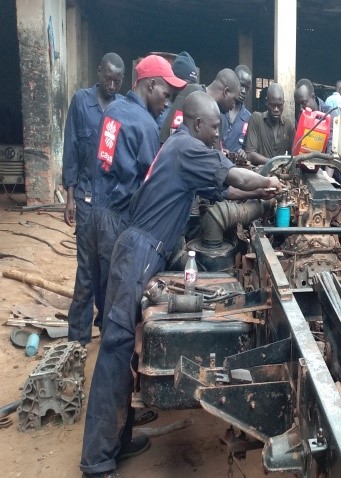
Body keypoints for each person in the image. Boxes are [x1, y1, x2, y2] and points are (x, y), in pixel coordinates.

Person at [80, 91, 282, 478]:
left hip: (140, 250)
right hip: (139, 250)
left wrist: (261, 192)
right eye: (214, 128)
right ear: (196, 123)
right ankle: (96, 461)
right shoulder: (188, 146)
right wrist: (269, 177)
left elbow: (227, 190)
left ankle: (118, 443)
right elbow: (234, 174)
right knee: (118, 350)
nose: (218, 136)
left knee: (126, 352)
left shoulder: (178, 147)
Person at [87, 54, 185, 346]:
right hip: (117, 220)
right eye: (166, 94)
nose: (167, 103)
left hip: (96, 212)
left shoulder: (113, 109)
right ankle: (115, 359)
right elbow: (150, 179)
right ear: (150, 84)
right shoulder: (144, 124)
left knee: (102, 290)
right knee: (120, 299)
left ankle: (105, 338)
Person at [62, 52, 124, 345]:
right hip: (85, 202)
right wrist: (69, 197)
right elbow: (71, 151)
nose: (111, 84)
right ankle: (78, 340)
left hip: (111, 207)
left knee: (109, 270)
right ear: (98, 72)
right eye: (107, 77)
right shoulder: (81, 102)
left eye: (117, 80)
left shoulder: (123, 109)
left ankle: (107, 331)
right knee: (86, 273)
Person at [245, 83, 295, 165]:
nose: (276, 109)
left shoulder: (288, 124)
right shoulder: (256, 119)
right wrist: (275, 163)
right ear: (266, 102)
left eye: (279, 106)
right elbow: (250, 154)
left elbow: (295, 153)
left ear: (283, 103)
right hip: (260, 174)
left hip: (282, 175)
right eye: (273, 105)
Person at [160, 51, 201, 143]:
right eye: (184, 85)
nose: (188, 91)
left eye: (191, 86)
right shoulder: (161, 109)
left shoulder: (196, 112)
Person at [220, 65, 253, 157]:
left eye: (247, 88)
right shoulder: (218, 110)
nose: (243, 91)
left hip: (235, 168)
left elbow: (248, 149)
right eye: (241, 85)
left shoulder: (248, 118)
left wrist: (244, 153)